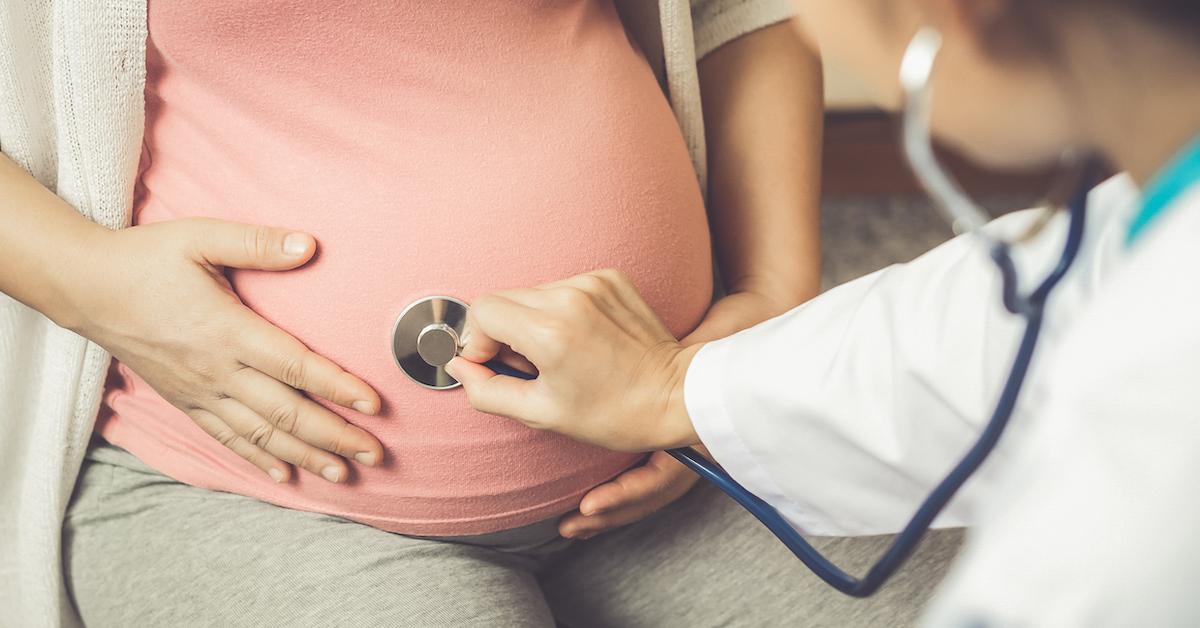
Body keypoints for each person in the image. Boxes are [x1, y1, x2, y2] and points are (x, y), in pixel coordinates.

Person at [0, 1, 965, 626]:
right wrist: (90, 280)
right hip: (254, 490)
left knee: (1024, 577)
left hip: (689, 447)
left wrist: (766, 305)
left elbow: (742, 4)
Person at [448, 0, 1200, 625]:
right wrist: (679, 389)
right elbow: (1002, 334)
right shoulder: (1151, 237)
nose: (804, 22)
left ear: (962, 13)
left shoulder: (1151, 456)